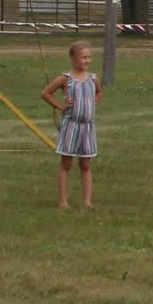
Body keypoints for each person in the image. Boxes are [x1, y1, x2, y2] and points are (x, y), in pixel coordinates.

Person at [41, 41, 99, 209]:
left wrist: (96, 99)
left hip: (87, 127)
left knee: (86, 164)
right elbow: (45, 93)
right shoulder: (65, 79)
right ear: (73, 59)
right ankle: (63, 202)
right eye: (83, 57)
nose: (87, 61)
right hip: (71, 126)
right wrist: (59, 106)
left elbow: (99, 91)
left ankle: (87, 202)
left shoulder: (92, 78)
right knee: (66, 163)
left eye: (89, 57)